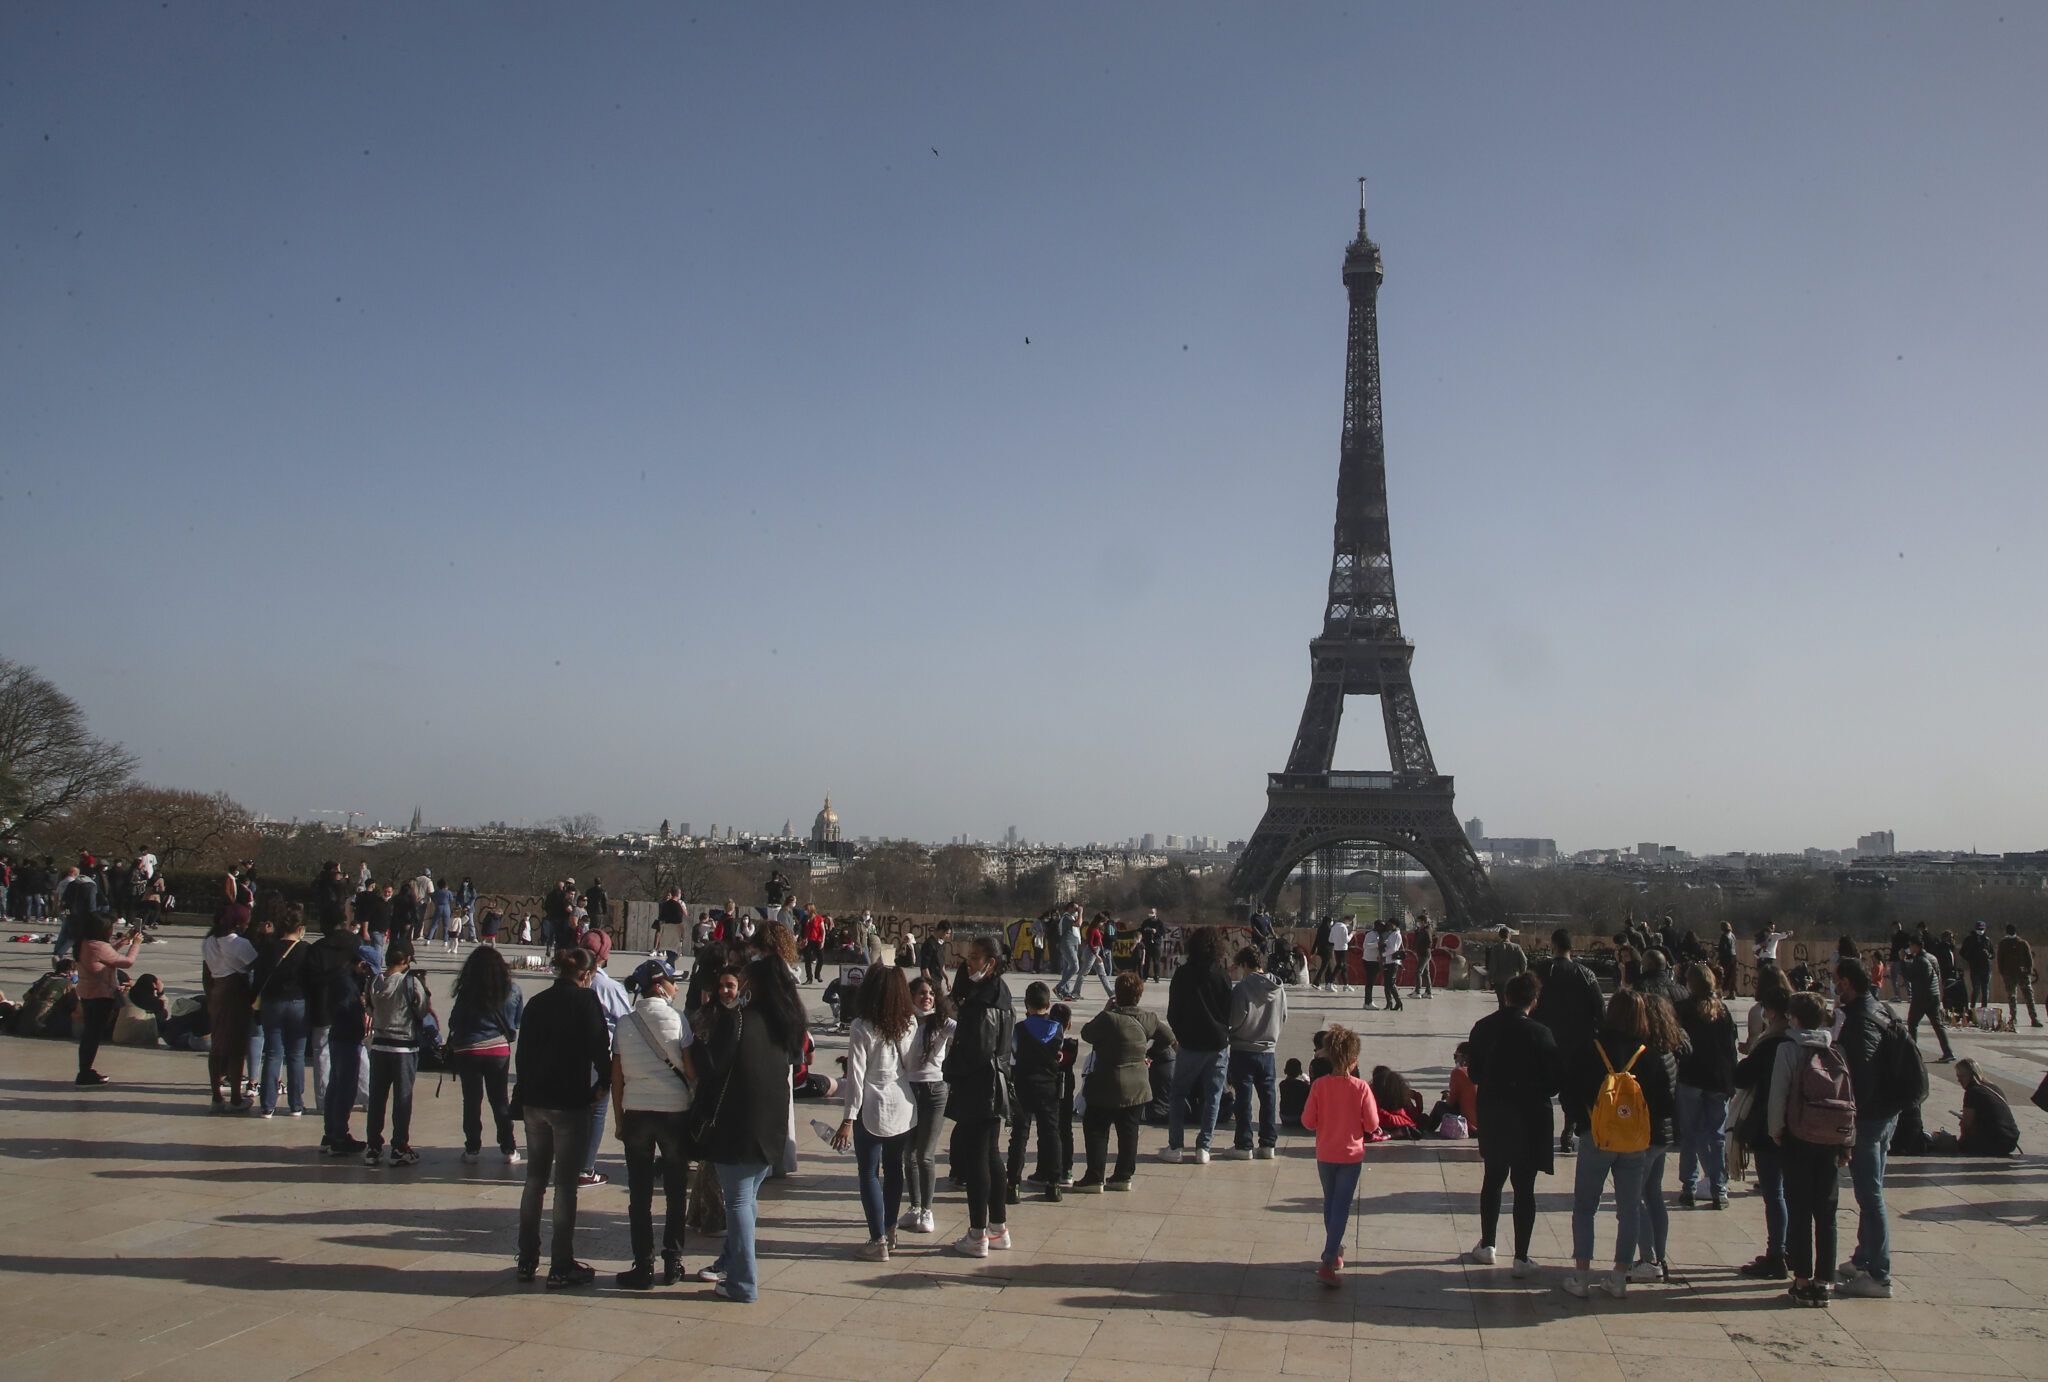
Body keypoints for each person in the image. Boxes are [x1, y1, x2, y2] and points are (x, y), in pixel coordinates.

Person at [698, 955, 806, 1301]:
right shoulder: (787, 1024)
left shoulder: (738, 1021)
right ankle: (730, 1262)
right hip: (771, 1125)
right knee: (748, 1198)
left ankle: (743, 1281)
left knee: (739, 1202)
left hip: (737, 1125)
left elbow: (711, 1068)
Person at [1560, 990, 1670, 1300]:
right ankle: (1619, 1277)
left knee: (1585, 1207)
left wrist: (1584, 1120)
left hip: (1597, 1137)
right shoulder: (1649, 1054)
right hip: (1634, 1143)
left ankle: (1581, 1276)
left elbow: (1569, 1091)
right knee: (1629, 1210)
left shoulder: (1592, 1049)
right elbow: (1664, 1103)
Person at [515, 946, 611, 1288]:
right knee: (565, 1186)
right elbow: (602, 1049)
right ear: (586, 975)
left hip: (535, 1101)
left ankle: (527, 1258)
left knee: (534, 1181)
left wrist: (521, 1096)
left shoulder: (537, 1003)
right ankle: (560, 1262)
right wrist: (603, 1085)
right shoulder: (586, 1003)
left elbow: (522, 1053)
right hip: (569, 1102)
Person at [1464, 971, 1557, 1274]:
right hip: (1529, 1116)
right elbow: (1553, 1083)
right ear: (1534, 1001)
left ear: (1506, 997)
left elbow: (1474, 1074)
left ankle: (1488, 1243)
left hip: (1494, 1112)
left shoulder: (1483, 1028)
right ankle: (1522, 1255)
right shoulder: (1541, 1033)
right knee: (1524, 1187)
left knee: (1493, 1179)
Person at [612, 957, 695, 1288]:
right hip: (674, 1112)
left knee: (640, 1193)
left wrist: (619, 1120)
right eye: (673, 981)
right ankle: (673, 1261)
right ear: (660, 986)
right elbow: (690, 1071)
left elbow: (616, 1078)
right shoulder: (678, 1020)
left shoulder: (624, 1023)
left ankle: (642, 1265)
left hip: (636, 1112)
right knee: (676, 1191)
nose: (677, 988)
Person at [1831, 958, 1912, 1298]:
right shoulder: (1881, 1010)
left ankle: (1879, 1274)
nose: (1833, 986)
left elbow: (1860, 1076)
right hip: (1886, 1114)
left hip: (1869, 1117)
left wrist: (1848, 1123)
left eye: (1836, 980)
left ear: (1847, 983)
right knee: (1872, 1190)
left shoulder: (1860, 1020)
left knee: (1870, 1195)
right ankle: (1864, 1257)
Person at [1768, 991, 1853, 1308]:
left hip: (1799, 1136)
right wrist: (1847, 1140)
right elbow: (1848, 1099)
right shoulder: (1836, 1050)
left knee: (1800, 1210)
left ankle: (1802, 1280)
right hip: (1831, 1138)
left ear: (1795, 1018)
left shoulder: (1788, 1050)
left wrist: (1776, 1130)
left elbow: (1778, 1095)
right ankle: (1824, 1281)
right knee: (1827, 1212)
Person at [834, 964, 919, 1258]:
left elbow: (855, 1077)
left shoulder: (861, 1026)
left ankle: (877, 1238)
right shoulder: (908, 1023)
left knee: (869, 1172)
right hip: (902, 1103)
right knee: (895, 1169)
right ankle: (891, 1229)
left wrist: (848, 1118)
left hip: (871, 1104)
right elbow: (912, 1064)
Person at [942, 936, 1016, 1256]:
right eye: (968, 956)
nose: (968, 963)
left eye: (975, 957)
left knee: (977, 1162)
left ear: (992, 963)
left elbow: (976, 1051)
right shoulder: (1001, 996)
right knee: (990, 1156)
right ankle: (998, 1229)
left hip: (979, 1086)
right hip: (995, 1085)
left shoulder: (982, 1004)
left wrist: (949, 1067)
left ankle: (978, 1234)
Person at [1076, 970, 1175, 1193]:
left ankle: (1094, 1177)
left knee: (1097, 1129)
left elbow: (1087, 1034)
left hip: (1105, 1083)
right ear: (1138, 995)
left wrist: (1104, 1010)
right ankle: (1123, 1176)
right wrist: (1149, 1055)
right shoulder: (1148, 1018)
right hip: (1138, 1086)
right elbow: (1169, 1038)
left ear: (1116, 994)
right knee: (1128, 1131)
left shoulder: (1108, 1018)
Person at [1301, 1024, 1380, 1287]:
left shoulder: (1319, 1086)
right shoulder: (1361, 1089)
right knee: (1342, 1206)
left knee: (1330, 1201)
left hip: (1325, 1153)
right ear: (1354, 1060)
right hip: (1351, 1155)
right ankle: (1327, 1259)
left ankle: (1333, 1253)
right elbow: (1371, 1125)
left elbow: (1308, 1122)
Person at [1732, 982, 1794, 1279]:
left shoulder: (1772, 1043)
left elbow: (1742, 1076)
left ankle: (1776, 1252)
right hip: (1802, 1126)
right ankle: (1795, 1251)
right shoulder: (1803, 1040)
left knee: (1775, 1192)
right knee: (1794, 1193)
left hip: (1772, 1124)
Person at [448, 945, 525, 1165]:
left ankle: (472, 1148)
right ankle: (508, 1147)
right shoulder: (513, 990)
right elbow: (517, 1022)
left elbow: (454, 1022)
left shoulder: (467, 991)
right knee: (499, 1099)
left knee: (471, 1100)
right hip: (497, 1049)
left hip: (468, 1050)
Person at [1628, 994, 1686, 1283]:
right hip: (1663, 1132)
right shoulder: (1668, 1051)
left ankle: (1648, 1258)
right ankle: (1658, 1256)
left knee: (1635, 1197)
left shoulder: (1647, 1056)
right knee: (1653, 1195)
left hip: (1647, 1134)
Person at [1164, 925, 1231, 1163]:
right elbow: (1228, 1011)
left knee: (1178, 1094)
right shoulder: (1222, 974)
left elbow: (1173, 1012)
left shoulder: (1182, 974)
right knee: (1213, 1096)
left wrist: (1181, 1034)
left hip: (1190, 1043)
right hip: (1217, 1043)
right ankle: (1204, 1146)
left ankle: (1176, 1146)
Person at [1534, 929, 1604, 1154]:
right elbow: (1600, 1008)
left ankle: (1539, 1133)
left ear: (1552, 944)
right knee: (1573, 1089)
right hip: (1578, 1042)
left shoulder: (1541, 971)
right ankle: (1569, 1130)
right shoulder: (1585, 973)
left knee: (1541, 1089)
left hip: (1546, 1039)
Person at [1674, 963, 1739, 1210]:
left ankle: (1689, 1187)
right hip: (1718, 1079)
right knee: (1717, 1135)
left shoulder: (1683, 1010)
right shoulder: (1723, 1012)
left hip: (1691, 1076)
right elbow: (1730, 1050)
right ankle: (1718, 1188)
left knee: (1689, 1135)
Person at [364, 938, 431, 1166]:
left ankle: (373, 1146)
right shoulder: (411, 983)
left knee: (377, 1098)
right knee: (403, 1099)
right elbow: (422, 1011)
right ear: (406, 960)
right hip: (404, 1047)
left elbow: (369, 1010)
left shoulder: (374, 982)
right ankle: (399, 1146)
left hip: (380, 1045)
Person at [248, 906, 320, 1117]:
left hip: (272, 1003)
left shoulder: (268, 949)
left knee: (272, 1053)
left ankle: (267, 1105)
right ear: (300, 928)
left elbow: (258, 978)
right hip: (298, 1003)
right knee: (296, 1055)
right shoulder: (306, 950)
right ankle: (296, 1104)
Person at [312, 911, 373, 1156]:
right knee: (345, 1086)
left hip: (336, 1032)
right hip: (346, 1036)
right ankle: (338, 1134)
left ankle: (332, 1133)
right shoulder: (347, 983)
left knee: (336, 1084)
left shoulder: (337, 975)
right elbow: (349, 1011)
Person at [900, 976, 955, 1234]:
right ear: (911, 995)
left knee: (925, 1155)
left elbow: (966, 1033)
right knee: (908, 1154)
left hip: (934, 1090)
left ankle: (927, 1210)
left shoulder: (942, 1022)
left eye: (932, 993)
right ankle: (914, 1205)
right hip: (908, 1091)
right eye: (922, 993)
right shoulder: (904, 1022)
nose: (927, 997)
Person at [1007, 981, 1067, 1202]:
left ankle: (1012, 1185)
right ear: (1048, 1004)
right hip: (1049, 1088)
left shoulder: (1020, 1029)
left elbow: (1012, 1055)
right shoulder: (1057, 1028)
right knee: (1051, 1134)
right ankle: (1053, 1184)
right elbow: (1059, 1052)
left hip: (1023, 1086)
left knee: (1019, 1136)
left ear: (1026, 1004)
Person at [1227, 944, 1286, 1159]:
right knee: (1268, 1097)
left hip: (1243, 1048)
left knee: (1243, 1098)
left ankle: (1244, 1145)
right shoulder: (1278, 988)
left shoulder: (1242, 989)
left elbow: (1235, 1019)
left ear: (1244, 964)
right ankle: (1268, 1144)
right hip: (1268, 1050)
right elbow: (1284, 1016)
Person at [73, 914, 143, 1085]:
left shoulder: (85, 942)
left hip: (87, 993)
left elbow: (106, 953)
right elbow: (126, 962)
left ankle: (85, 1070)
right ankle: (85, 1072)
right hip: (100, 995)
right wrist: (135, 945)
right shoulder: (98, 946)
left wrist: (124, 940)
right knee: (93, 1035)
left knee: (90, 1033)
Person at [202, 900, 257, 1109]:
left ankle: (216, 1096)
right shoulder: (239, 944)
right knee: (236, 1047)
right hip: (236, 993)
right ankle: (235, 1097)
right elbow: (256, 963)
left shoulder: (209, 941)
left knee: (217, 1046)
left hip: (217, 990)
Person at [1929, 1058, 2019, 1156]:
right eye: (1958, 1076)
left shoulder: (1973, 1092)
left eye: (1962, 1076)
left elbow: (1966, 1125)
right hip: (2011, 1140)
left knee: (1939, 1142)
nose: (1959, 1080)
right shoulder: (1993, 1087)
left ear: (1972, 1075)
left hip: (1994, 1143)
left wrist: (1960, 1143)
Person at [1898, 937, 1955, 1063]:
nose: (1909, 948)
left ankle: (1913, 1053)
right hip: (1934, 994)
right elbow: (1937, 974)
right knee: (1937, 1024)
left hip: (1922, 996)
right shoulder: (1932, 957)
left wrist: (1902, 961)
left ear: (1916, 946)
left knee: (1912, 1023)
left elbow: (1910, 976)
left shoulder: (1921, 960)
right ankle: (1948, 1051)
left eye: (1910, 945)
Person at [1995, 925, 2039, 1028]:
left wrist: (2003, 972)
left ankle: (2017, 1018)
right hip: (2015, 974)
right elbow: (2029, 960)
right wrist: (2028, 971)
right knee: (2023, 997)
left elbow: (2000, 960)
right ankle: (2031, 1018)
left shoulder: (2007, 944)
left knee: (2014, 997)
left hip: (2015, 974)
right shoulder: (2021, 943)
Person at [1487, 926, 1527, 1007]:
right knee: (1513, 1003)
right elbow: (1524, 962)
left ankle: (1502, 1018)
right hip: (1513, 979)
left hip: (1499, 981)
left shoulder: (1496, 948)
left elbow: (1492, 965)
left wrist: (1489, 979)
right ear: (1509, 936)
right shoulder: (1516, 947)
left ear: (1499, 936)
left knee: (1502, 1003)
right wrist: (1522, 974)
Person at [1959, 923, 1994, 1011]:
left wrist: (1989, 955)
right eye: (1979, 929)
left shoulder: (1987, 940)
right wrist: (1970, 958)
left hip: (1986, 968)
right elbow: (1962, 952)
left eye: (1982, 929)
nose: (1981, 930)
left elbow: (1993, 954)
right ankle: (1973, 1007)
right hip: (1975, 967)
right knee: (1976, 988)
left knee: (1985, 990)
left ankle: (1984, 1008)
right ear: (1975, 929)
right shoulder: (1969, 939)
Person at [1377, 920, 1406, 1011]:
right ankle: (1389, 1003)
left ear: (1394, 925)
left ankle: (1398, 1002)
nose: (1388, 926)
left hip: (1393, 962)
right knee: (1387, 984)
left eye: (1390, 924)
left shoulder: (1396, 935)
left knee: (1391, 984)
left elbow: (1393, 949)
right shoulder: (1392, 935)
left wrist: (1383, 955)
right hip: (1389, 961)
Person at [918, 922, 951, 992]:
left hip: (938, 980)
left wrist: (947, 979)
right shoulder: (929, 944)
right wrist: (930, 983)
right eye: (947, 933)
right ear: (941, 931)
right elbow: (924, 968)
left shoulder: (942, 944)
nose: (948, 936)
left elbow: (941, 965)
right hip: (929, 982)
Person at [1280, 1057, 1312, 1127]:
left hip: (1284, 1117)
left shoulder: (1282, 1084)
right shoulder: (1303, 1086)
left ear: (1285, 1071)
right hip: (1299, 1118)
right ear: (1300, 1072)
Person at [1409, 913, 1435, 999]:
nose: (1417, 923)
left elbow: (1429, 943)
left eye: (1419, 922)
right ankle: (1428, 991)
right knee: (1426, 973)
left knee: (1418, 972)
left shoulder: (1426, 931)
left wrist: (1423, 948)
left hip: (1424, 954)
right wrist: (1417, 931)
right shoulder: (1421, 930)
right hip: (1422, 953)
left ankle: (1418, 991)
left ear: (1423, 922)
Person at [1329, 914, 1355, 995]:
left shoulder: (1334, 927)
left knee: (1343, 967)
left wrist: (1337, 940)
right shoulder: (1344, 928)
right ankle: (1330, 982)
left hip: (1337, 948)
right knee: (1340, 965)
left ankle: (1346, 984)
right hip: (1343, 948)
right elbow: (1346, 940)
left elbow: (1330, 939)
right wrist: (1352, 934)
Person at [1139, 908, 1165, 981]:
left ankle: (1156, 976)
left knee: (1156, 961)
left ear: (1156, 913)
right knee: (1147, 960)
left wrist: (1156, 931)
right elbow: (1141, 930)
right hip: (1147, 943)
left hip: (1156, 944)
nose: (1151, 913)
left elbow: (1163, 932)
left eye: (1152, 912)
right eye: (1150, 912)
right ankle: (1145, 976)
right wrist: (1145, 930)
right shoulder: (1146, 922)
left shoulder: (1159, 922)